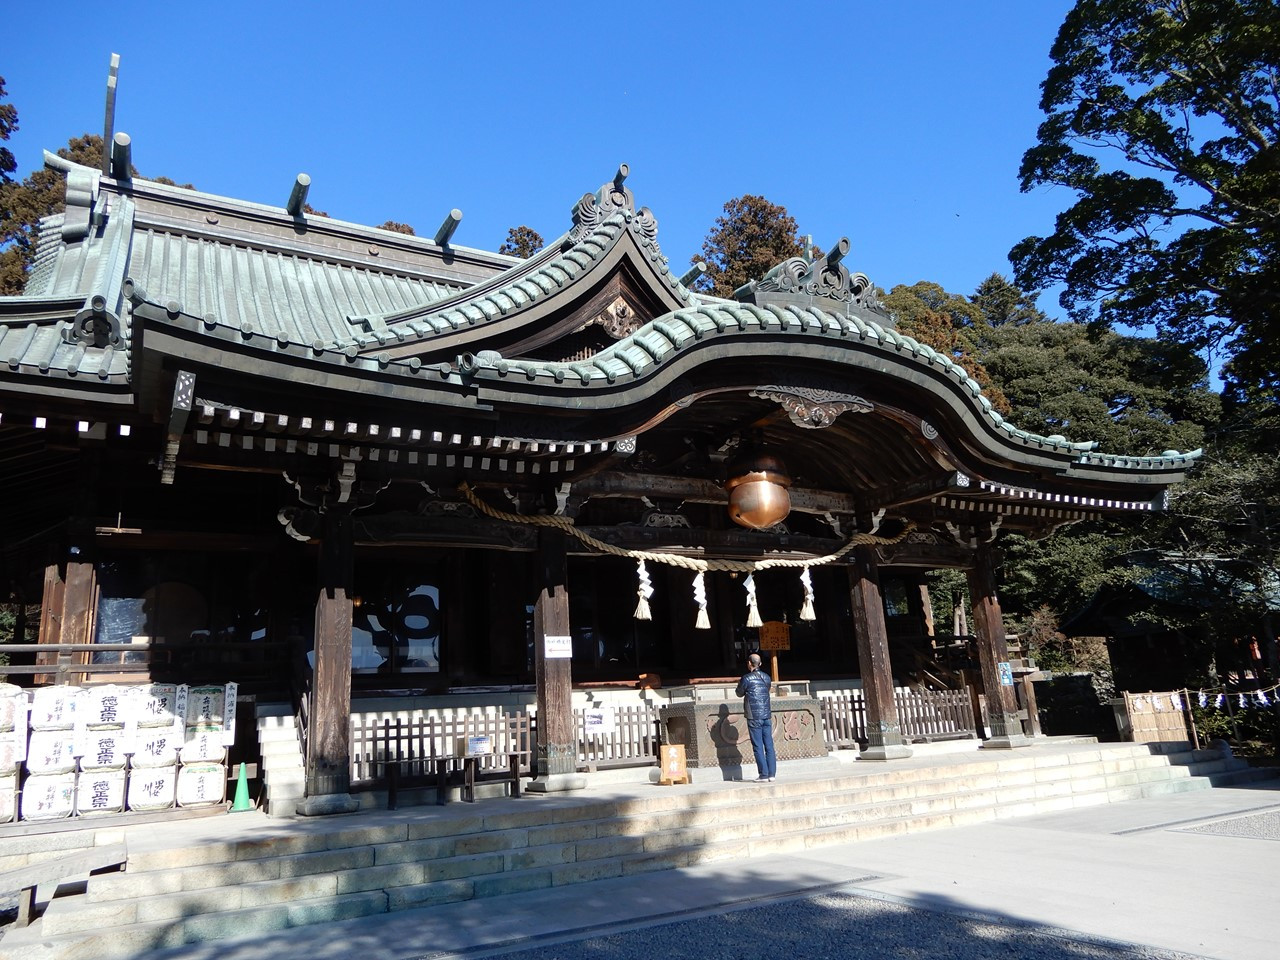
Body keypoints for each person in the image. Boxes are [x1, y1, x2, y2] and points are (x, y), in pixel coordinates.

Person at [736, 652, 776, 781]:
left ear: (749, 663)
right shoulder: (767, 677)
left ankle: (763, 774)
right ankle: (771, 774)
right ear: (760, 663)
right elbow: (768, 689)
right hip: (766, 715)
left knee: (758, 746)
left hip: (754, 715)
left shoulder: (746, 678)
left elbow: (739, 693)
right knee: (769, 745)